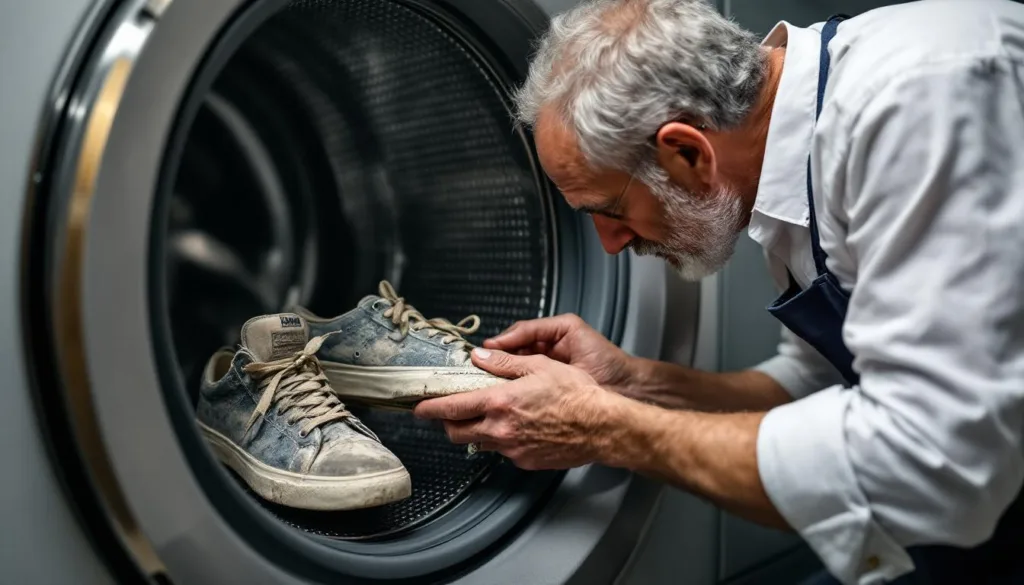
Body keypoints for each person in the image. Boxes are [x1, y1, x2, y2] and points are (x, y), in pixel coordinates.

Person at [413, 0, 1024, 583]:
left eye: (611, 209)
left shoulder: (920, 103)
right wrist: (635, 383)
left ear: (685, 152)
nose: (609, 244)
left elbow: (936, 465)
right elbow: (821, 384)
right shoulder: (788, 153)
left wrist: (604, 428)